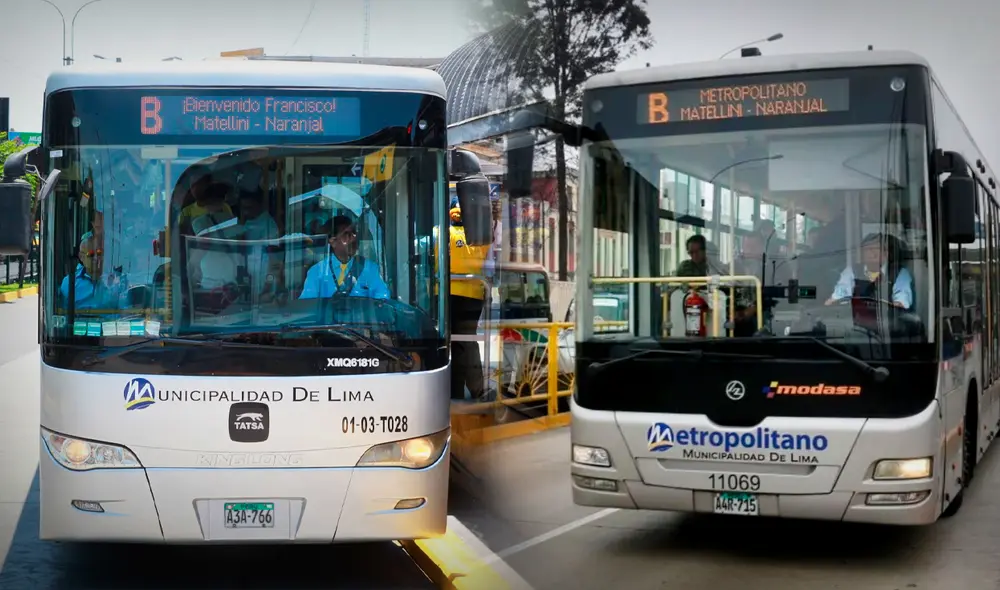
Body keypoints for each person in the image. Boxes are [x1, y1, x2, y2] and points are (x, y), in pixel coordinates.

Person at [445, 199, 491, 401]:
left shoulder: (442, 233)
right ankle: (476, 389)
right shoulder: (480, 239)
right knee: (467, 343)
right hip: (473, 297)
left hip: (446, 296)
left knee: (448, 343)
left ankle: (453, 390)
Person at [298, 215, 390, 300]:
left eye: (354, 233)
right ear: (333, 241)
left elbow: (383, 299)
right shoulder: (317, 272)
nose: (354, 238)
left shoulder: (370, 268)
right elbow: (307, 306)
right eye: (347, 234)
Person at [826, 232, 913, 309]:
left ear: (885, 253)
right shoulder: (852, 271)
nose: (872, 252)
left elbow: (901, 305)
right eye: (868, 249)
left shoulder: (899, 273)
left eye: (876, 248)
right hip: (855, 321)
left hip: (885, 324)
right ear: (862, 254)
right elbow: (838, 297)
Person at [59, 235, 127, 310]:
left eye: (99, 253)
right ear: (81, 257)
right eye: (91, 254)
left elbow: (125, 313)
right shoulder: (68, 283)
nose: (96, 258)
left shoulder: (117, 281)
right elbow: (63, 314)